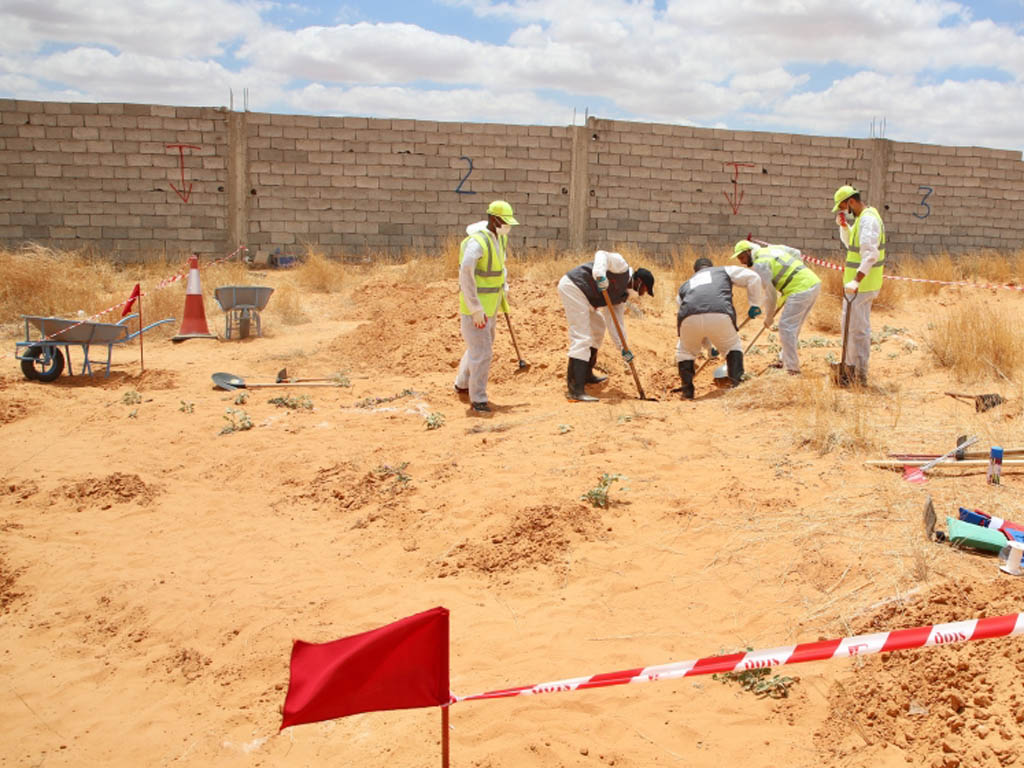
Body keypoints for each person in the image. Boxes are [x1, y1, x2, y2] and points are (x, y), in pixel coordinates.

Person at [557, 251, 655, 401]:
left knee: (599, 326)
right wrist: (600, 274)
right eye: (642, 291)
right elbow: (601, 255)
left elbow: (616, 324)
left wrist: (623, 348)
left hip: (586, 298)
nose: (639, 295)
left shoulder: (621, 297)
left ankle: (586, 374)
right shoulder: (621, 266)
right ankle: (575, 390)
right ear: (639, 281)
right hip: (574, 286)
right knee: (582, 336)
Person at [454, 200, 518, 413]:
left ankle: (462, 383)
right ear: (493, 219)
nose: (507, 226)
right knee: (482, 352)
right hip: (477, 309)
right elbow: (466, 273)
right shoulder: (477, 242)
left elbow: (501, 267)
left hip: (491, 306)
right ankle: (478, 399)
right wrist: (475, 308)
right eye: (504, 222)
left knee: (478, 347)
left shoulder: (499, 238)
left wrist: (504, 287)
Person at [675, 257, 762, 399]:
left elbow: (694, 317)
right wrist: (754, 304)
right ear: (710, 266)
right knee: (732, 346)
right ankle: (737, 386)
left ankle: (687, 392)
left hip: (687, 319)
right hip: (720, 314)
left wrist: (709, 348)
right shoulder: (724, 270)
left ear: (695, 271)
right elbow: (753, 277)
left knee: (685, 352)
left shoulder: (685, 285)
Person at [731, 239, 821, 375]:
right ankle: (784, 360)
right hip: (812, 282)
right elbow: (796, 252)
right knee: (792, 327)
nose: (741, 262)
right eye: (739, 259)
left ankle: (792, 368)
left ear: (749, 252)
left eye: (742, 257)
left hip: (800, 289)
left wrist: (769, 317)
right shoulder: (770, 249)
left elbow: (770, 294)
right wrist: (796, 274)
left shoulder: (760, 264)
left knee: (786, 327)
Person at [832, 184, 886, 385]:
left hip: (861, 287)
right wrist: (844, 227)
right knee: (854, 328)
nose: (843, 211)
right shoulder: (863, 219)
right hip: (858, 287)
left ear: (851, 202)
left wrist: (856, 280)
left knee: (856, 330)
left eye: (844, 207)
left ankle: (858, 374)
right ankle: (852, 370)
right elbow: (852, 246)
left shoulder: (868, 220)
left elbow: (870, 254)